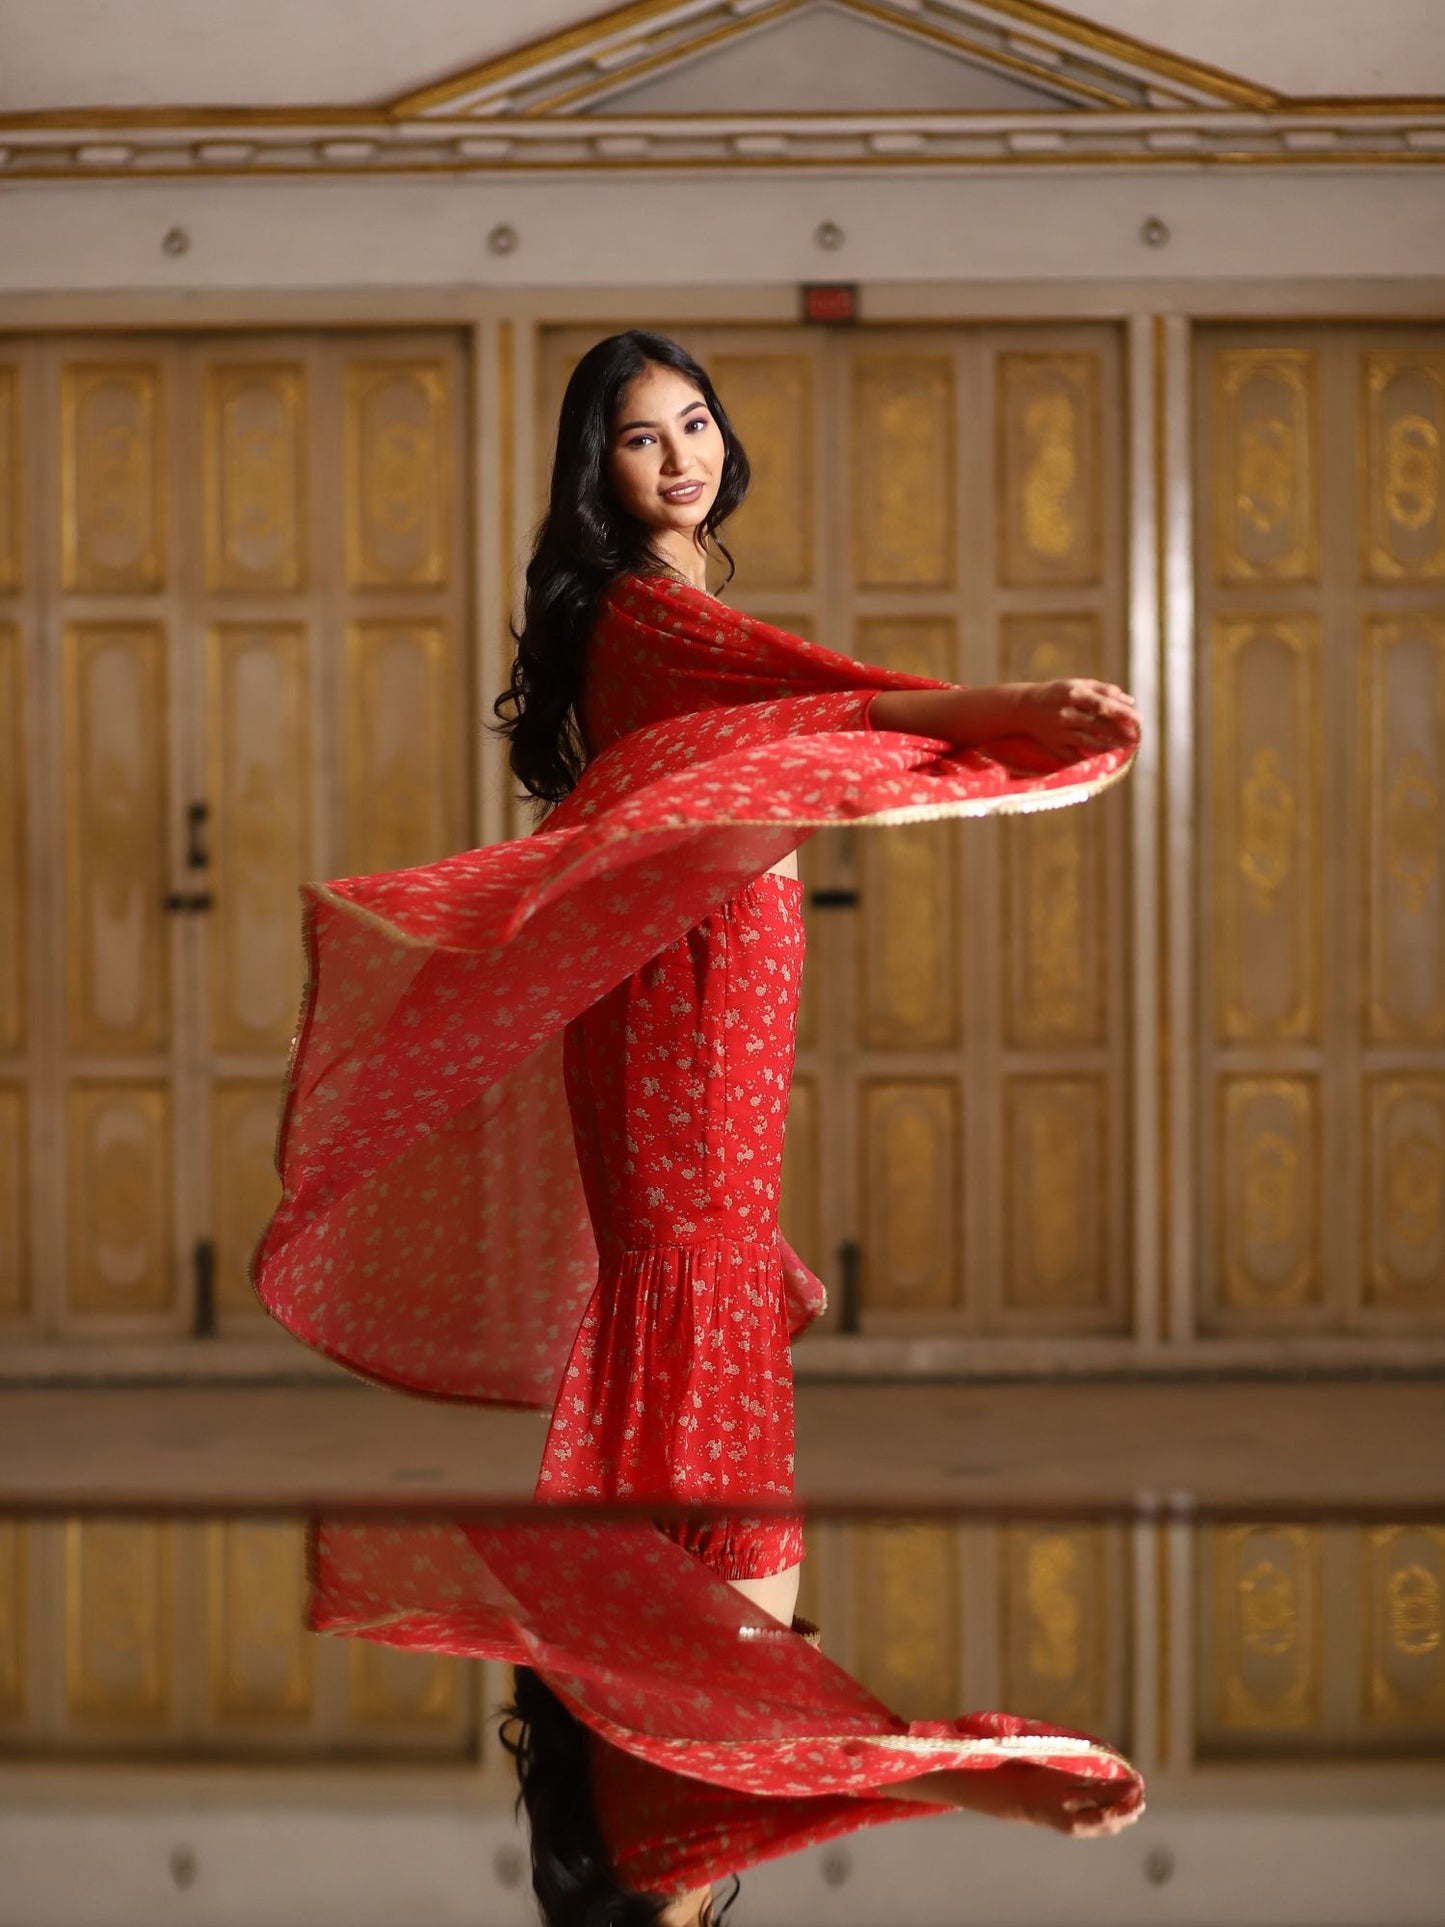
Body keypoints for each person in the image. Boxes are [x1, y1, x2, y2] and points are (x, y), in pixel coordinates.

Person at [251, 329, 1144, 1927]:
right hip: (678, 985)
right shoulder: (638, 615)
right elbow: (811, 699)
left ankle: (681, 1553)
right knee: (696, 1264)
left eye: (695, 425)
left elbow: (795, 710)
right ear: (592, 472)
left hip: (703, 973)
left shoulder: (673, 610)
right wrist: (1002, 704)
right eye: (641, 439)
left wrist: (956, 1774)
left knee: (704, 1270)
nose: (681, 458)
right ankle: (690, 1551)